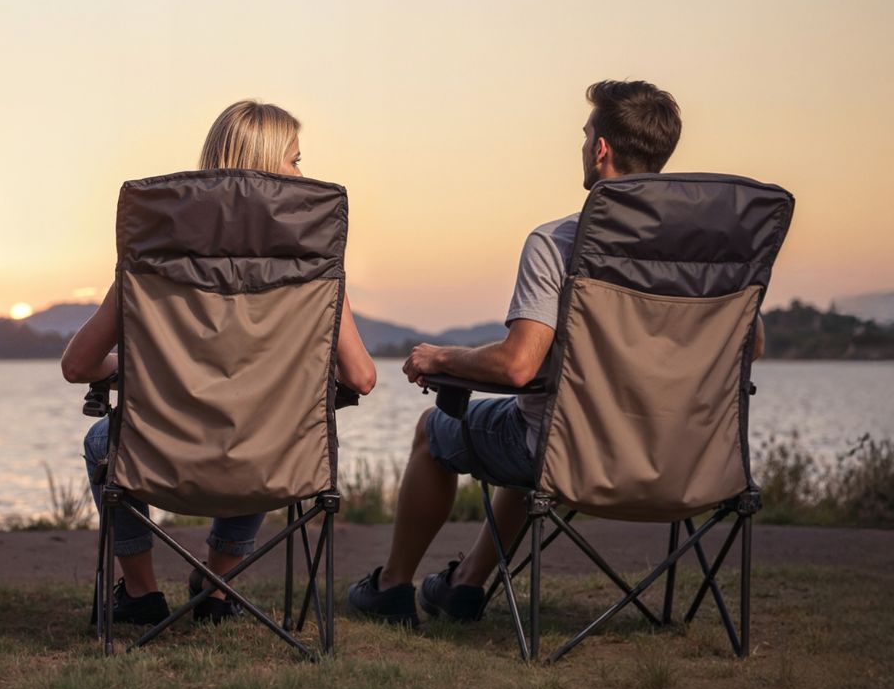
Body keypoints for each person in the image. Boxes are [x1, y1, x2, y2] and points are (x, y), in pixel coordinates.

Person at [347, 79, 765, 624]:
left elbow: (519, 365)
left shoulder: (562, 242)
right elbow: (750, 345)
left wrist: (441, 358)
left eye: (586, 133)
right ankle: (466, 584)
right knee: (540, 416)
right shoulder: (706, 253)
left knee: (441, 430)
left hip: (570, 457)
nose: (584, 145)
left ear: (601, 149)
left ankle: (394, 586)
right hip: (691, 461)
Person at [62, 100, 378, 627]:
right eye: (296, 161)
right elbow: (362, 377)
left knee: (103, 443)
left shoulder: (152, 260)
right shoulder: (316, 271)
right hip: (270, 457)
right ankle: (216, 588)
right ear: (268, 166)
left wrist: (132, 367)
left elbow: (77, 366)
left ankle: (141, 594)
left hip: (164, 456)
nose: (304, 174)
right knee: (267, 428)